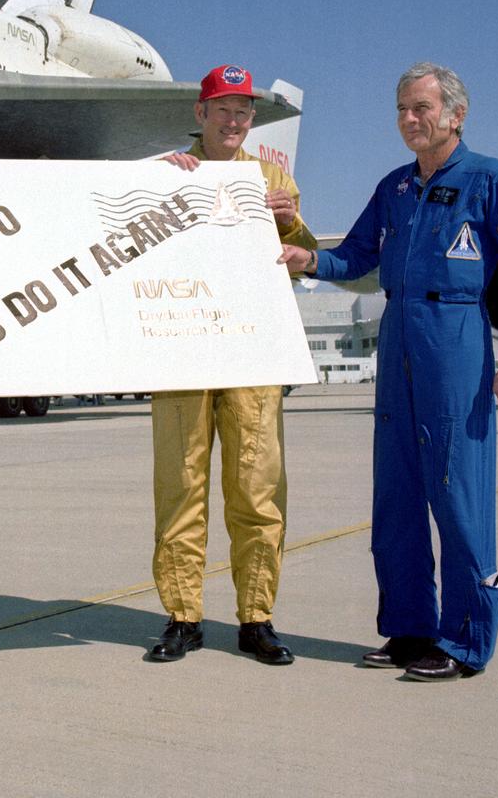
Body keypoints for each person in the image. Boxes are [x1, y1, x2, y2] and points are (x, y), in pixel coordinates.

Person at [281, 62, 498, 681]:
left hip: (457, 340)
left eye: (422, 109)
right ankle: (410, 630)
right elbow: (356, 256)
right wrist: (308, 259)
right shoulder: (394, 189)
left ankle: (464, 641)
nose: (410, 119)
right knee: (398, 498)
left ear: (456, 115)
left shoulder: (491, 180)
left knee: (458, 495)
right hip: (398, 337)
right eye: (402, 109)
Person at [146, 64, 317, 665]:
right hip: (182, 352)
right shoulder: (165, 171)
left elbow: (304, 255)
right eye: (223, 108)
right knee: (181, 483)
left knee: (256, 486)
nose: (235, 119)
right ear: (201, 113)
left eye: (244, 111)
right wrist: (154, 188)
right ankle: (182, 616)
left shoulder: (272, 178)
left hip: (250, 353)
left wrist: (285, 218)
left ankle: (257, 618)